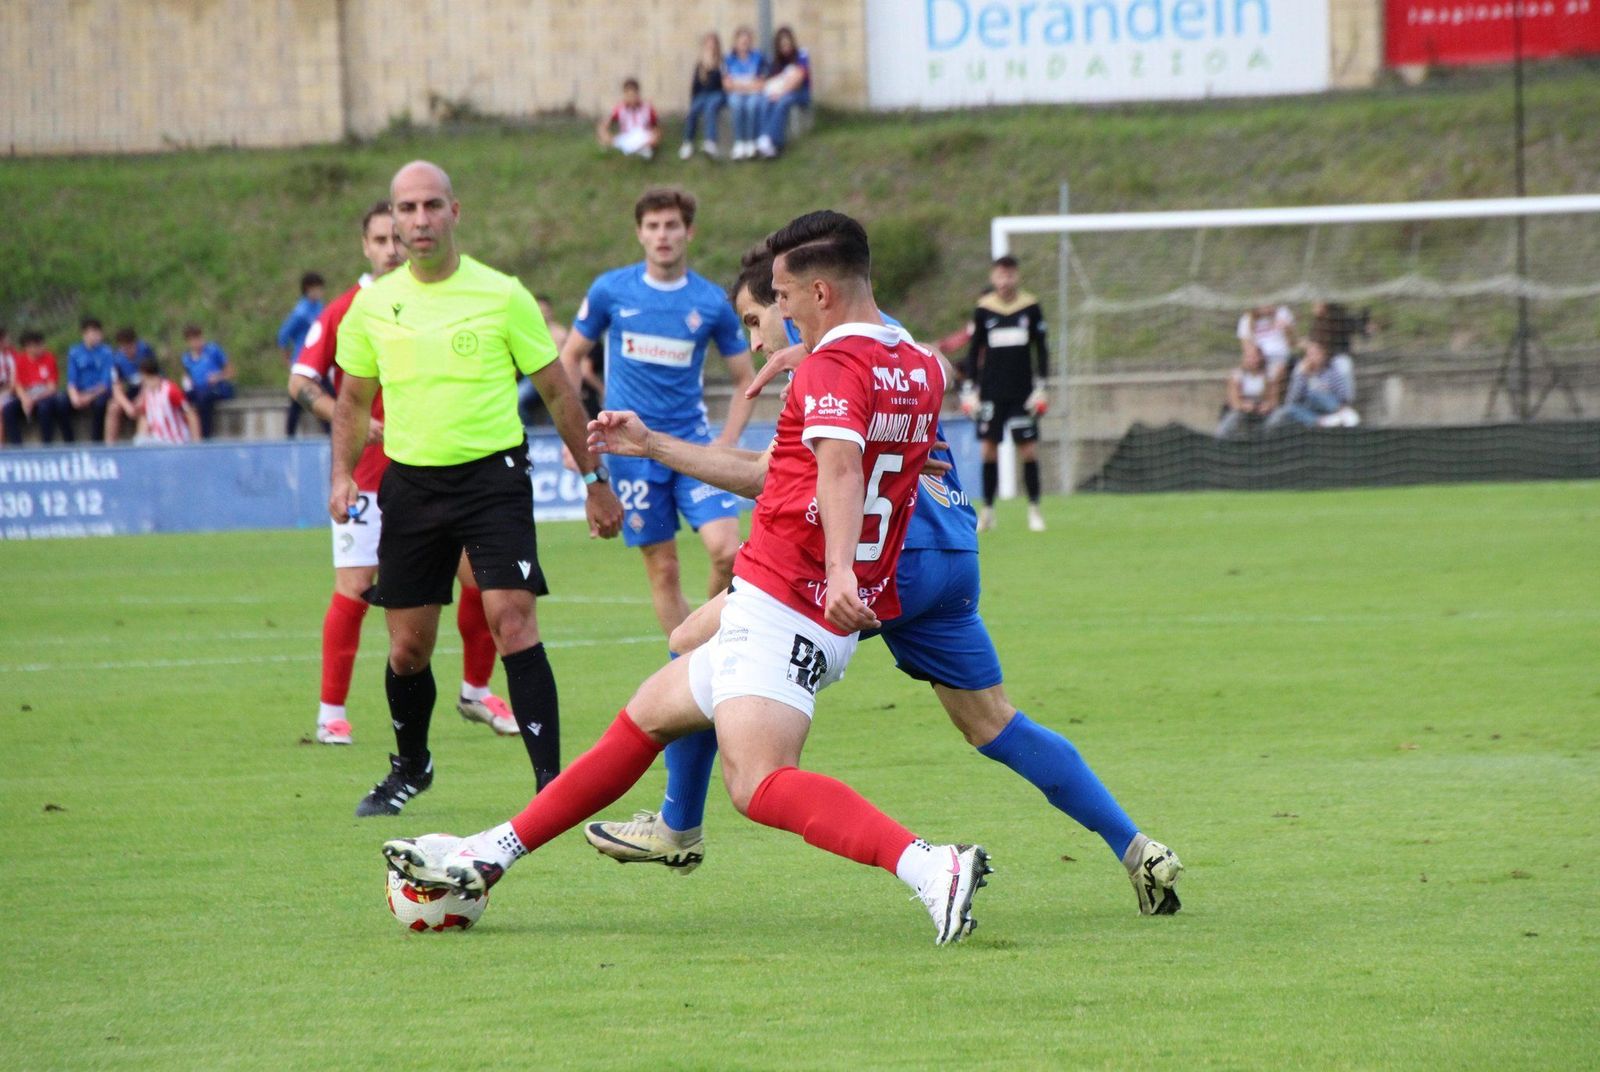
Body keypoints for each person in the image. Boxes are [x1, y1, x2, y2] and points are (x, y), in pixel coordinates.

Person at [386, 210, 994, 946]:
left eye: (783, 295)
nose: (777, 314)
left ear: (823, 292)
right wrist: (655, 447)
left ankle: (930, 867)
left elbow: (835, 468)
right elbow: (785, 473)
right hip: (802, 604)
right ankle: (489, 854)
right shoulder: (922, 365)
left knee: (759, 783)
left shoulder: (832, 366)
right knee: (647, 714)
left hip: (790, 601)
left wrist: (837, 569)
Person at [584, 243, 1184, 916]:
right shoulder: (885, 336)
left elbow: (775, 478)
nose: (757, 339)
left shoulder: (835, 362)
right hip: (951, 550)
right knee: (994, 723)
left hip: (886, 551)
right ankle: (1136, 848)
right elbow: (943, 366)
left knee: (694, 641)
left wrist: (663, 446)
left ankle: (677, 827)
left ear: (806, 296)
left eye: (759, 318)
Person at [330, 160, 622, 816]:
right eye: (407, 209)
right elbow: (351, 399)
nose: (420, 219)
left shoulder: (501, 294)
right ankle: (411, 766)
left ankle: (553, 787)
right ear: (394, 221)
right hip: (410, 485)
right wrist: (342, 475)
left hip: (493, 480)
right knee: (408, 648)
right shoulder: (374, 305)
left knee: (512, 618)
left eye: (432, 206)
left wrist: (596, 482)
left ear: (454, 212)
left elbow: (557, 392)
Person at [290, 200, 520, 748]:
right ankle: (331, 712)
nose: (391, 248)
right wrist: (348, 417)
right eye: (379, 240)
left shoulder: (442, 299)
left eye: (397, 238)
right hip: (369, 478)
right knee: (355, 587)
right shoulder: (349, 308)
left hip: (441, 474)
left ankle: (475, 689)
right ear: (365, 246)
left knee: (481, 580)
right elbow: (301, 383)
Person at [559, 187, 755, 646]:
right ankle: (689, 665)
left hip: (691, 447)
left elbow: (747, 376)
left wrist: (726, 440)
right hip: (631, 455)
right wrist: (578, 439)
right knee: (663, 569)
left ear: (689, 232)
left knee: (728, 553)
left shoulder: (710, 302)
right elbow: (568, 360)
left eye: (671, 225)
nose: (662, 235)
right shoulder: (611, 290)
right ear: (639, 234)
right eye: (653, 226)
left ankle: (712, 647)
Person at [963, 255, 1049, 533]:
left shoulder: (1031, 307)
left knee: (1028, 449)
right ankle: (987, 510)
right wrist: (971, 390)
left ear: (1017, 277)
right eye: (1000, 275)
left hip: (1023, 393)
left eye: (1010, 275)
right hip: (991, 391)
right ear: (993, 277)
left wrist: (1042, 387)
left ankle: (1034, 509)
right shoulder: (984, 310)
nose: (1005, 280)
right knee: (988, 450)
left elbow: (1042, 349)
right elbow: (974, 350)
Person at [1264, 337, 1357, 430]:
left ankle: (1343, 413)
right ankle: (1322, 422)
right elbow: (1292, 399)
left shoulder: (1332, 372)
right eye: (1310, 354)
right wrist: (1301, 376)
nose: (1313, 357)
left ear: (1324, 355)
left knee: (1315, 394)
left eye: (1316, 353)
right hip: (1312, 410)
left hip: (1332, 407)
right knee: (1291, 409)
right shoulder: (1301, 373)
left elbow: (1343, 396)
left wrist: (1324, 391)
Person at [278, 271, 326, 437]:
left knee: (316, 395)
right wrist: (288, 361)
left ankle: (328, 432)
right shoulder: (301, 312)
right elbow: (283, 335)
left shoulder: (319, 306)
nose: (320, 292)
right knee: (303, 398)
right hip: (303, 361)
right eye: (317, 288)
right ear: (308, 289)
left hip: (317, 360)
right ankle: (290, 436)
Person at [2, 331, 69, 445]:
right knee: (8, 410)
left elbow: (52, 387)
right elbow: (18, 385)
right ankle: (17, 447)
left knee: (44, 408)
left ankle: (46, 444)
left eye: (41, 344)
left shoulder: (49, 358)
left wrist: (34, 399)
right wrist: (24, 399)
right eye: (36, 345)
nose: (40, 348)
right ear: (28, 347)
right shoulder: (21, 361)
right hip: (28, 394)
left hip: (44, 395)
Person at [755, 26, 810, 159]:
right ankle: (764, 138)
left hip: (799, 92)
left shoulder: (801, 55)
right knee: (765, 101)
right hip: (779, 91)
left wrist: (780, 93)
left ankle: (775, 142)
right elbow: (767, 80)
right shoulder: (775, 61)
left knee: (782, 102)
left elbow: (799, 78)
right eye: (782, 45)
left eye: (787, 44)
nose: (785, 47)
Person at [65, 317, 118, 442]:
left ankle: (97, 442)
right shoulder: (74, 352)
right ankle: (68, 442)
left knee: (100, 404)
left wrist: (88, 397)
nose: (94, 336)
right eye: (91, 333)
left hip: (98, 392)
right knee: (60, 403)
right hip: (80, 392)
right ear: (84, 334)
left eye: (97, 333)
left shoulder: (107, 353)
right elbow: (71, 379)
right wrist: (74, 396)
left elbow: (105, 383)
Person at [180, 325, 235, 439]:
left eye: (198, 338)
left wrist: (218, 376)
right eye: (193, 340)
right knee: (184, 399)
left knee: (204, 399)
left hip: (218, 388)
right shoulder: (186, 358)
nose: (197, 343)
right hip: (199, 389)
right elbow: (187, 376)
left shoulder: (213, 350)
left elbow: (231, 372)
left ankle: (205, 435)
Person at [132, 353, 200, 444]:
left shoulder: (170, 390)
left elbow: (190, 413)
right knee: (139, 441)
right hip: (158, 442)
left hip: (175, 442)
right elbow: (144, 417)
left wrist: (196, 443)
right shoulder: (147, 393)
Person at [678, 33, 725, 160]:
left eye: (713, 43)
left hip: (717, 93)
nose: (710, 46)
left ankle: (710, 142)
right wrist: (693, 100)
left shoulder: (721, 62)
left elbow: (720, 83)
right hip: (702, 94)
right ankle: (687, 143)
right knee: (693, 111)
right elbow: (695, 85)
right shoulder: (699, 64)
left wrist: (712, 68)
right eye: (708, 43)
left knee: (710, 108)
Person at [1215, 343, 1277, 439]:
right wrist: (1243, 406)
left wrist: (1267, 405)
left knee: (1274, 422)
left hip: (1261, 409)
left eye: (1254, 357)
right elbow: (1234, 400)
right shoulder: (1237, 375)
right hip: (1242, 408)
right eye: (1249, 357)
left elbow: (1273, 399)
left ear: (1260, 358)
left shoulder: (1269, 376)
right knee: (1231, 421)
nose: (1252, 360)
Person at [723, 26, 766, 161]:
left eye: (746, 42)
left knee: (752, 104)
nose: (744, 45)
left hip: (752, 93)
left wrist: (741, 86)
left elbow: (760, 84)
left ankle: (750, 141)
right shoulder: (729, 58)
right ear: (735, 42)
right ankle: (739, 142)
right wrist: (747, 85)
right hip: (736, 93)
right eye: (741, 42)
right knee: (736, 103)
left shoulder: (758, 57)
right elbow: (727, 85)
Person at [106, 327, 154, 442]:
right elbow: (116, 387)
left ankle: (139, 444)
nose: (127, 351)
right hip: (130, 391)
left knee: (145, 409)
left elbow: (152, 379)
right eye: (124, 348)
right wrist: (127, 406)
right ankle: (109, 446)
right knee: (113, 407)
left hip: (147, 390)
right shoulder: (116, 358)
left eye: (130, 347)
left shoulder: (146, 351)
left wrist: (142, 398)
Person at [596, 78, 660, 161]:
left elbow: (656, 127)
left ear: (638, 94)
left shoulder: (647, 108)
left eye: (633, 95)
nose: (631, 99)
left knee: (652, 139)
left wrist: (654, 137)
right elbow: (606, 123)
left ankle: (641, 149)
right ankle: (638, 150)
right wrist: (603, 132)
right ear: (624, 95)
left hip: (643, 136)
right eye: (628, 95)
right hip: (627, 136)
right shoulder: (620, 108)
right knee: (613, 139)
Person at [1237, 303, 1296, 380]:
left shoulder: (1283, 313)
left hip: (1280, 357)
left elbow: (1293, 343)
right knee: (1237, 377)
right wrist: (1256, 359)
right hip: (1258, 358)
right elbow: (1246, 347)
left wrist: (1287, 329)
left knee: (1275, 373)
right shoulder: (1246, 319)